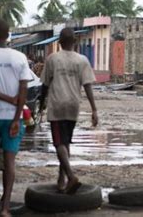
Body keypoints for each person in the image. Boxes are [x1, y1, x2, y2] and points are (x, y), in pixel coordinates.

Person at [39, 28, 98, 194]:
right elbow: (88, 85)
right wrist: (94, 109)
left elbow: (45, 84)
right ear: (75, 42)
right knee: (65, 142)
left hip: (57, 105)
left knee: (59, 143)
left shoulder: (52, 59)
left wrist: (42, 103)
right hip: (73, 105)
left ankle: (71, 176)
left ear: (59, 42)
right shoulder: (82, 60)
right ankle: (61, 178)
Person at [0, 20, 32, 217]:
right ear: (8, 35)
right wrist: (16, 115)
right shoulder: (20, 58)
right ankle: (5, 208)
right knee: (10, 161)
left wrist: (5, 98)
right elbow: (24, 91)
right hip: (14, 116)